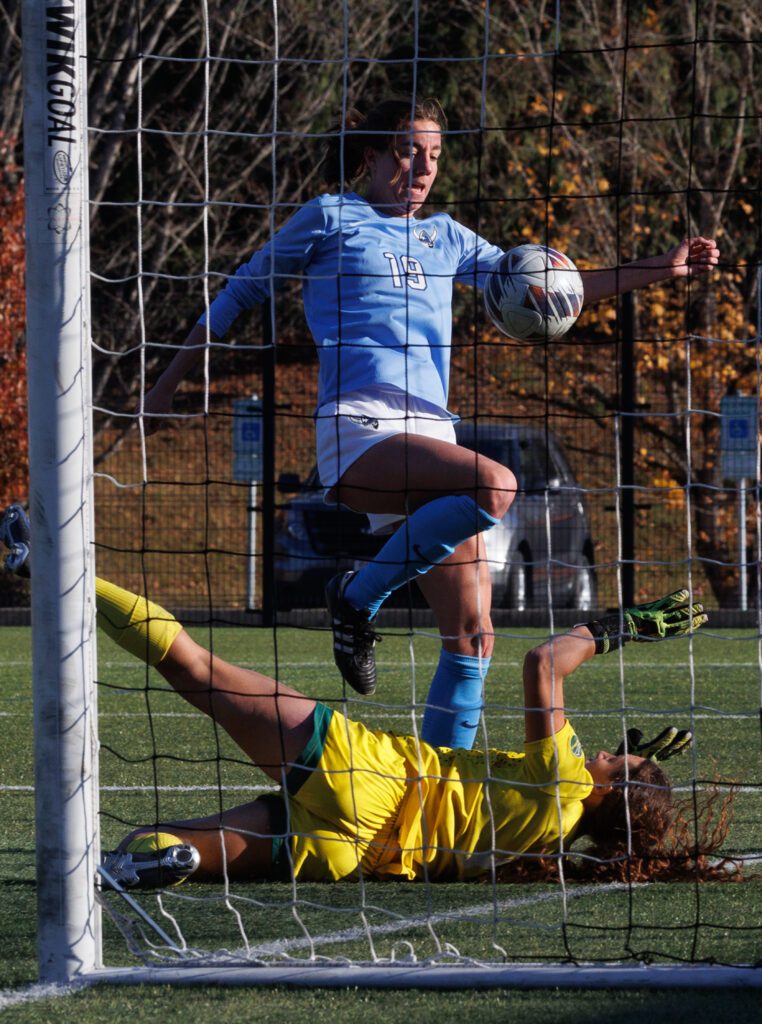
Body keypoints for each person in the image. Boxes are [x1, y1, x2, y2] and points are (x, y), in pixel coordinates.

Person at [139, 96, 721, 751]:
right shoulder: (332, 217)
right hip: (361, 431)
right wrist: (164, 386)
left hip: (431, 441)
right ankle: (356, 597)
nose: (422, 167)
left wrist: (661, 269)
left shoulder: (447, 237)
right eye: (407, 151)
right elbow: (240, 291)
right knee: (495, 487)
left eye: (435, 155)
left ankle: (441, 812)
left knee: (474, 637)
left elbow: (551, 286)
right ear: (370, 156)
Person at [4, 502, 726, 887]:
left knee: (194, 665)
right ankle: (153, 859)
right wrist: (634, 777)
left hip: (364, 771)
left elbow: (543, 664)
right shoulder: (553, 853)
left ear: (609, 796)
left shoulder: (566, 784)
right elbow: (581, 785)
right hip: (353, 854)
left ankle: (44, 561)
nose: (606, 752)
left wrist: (620, 626)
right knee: (173, 848)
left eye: (619, 766)